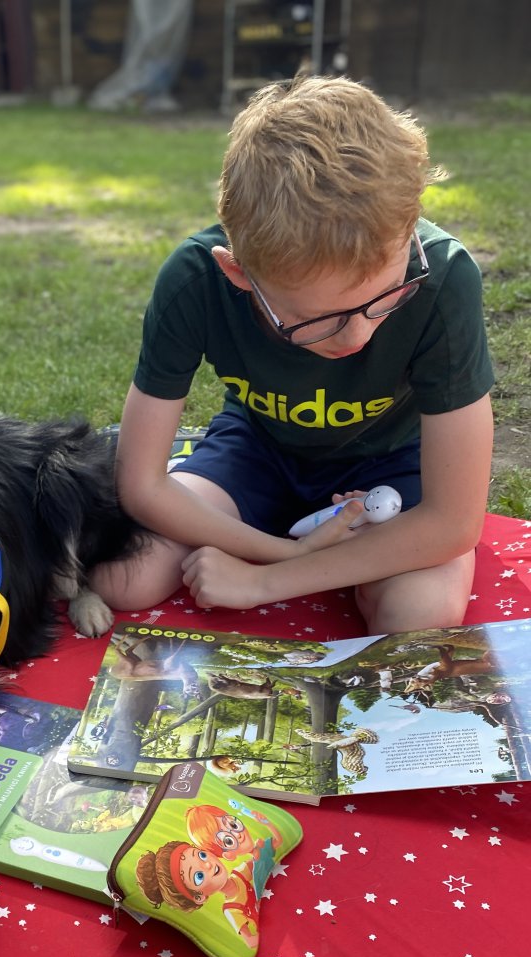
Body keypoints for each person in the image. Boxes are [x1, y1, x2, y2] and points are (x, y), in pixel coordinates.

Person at [89, 76, 495, 634]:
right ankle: (308, 539)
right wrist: (285, 551)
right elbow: (141, 485)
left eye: (386, 297)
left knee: (418, 615)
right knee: (124, 578)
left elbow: (453, 522)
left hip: (394, 468)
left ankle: (342, 556)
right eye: (316, 320)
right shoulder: (195, 280)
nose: (357, 337)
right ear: (238, 273)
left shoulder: (443, 278)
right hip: (258, 451)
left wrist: (264, 581)